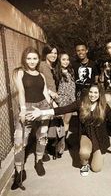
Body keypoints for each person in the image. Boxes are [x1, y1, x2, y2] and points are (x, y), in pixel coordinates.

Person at [26, 84, 111, 177]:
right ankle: (84, 164)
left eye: (96, 92)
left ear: (99, 94)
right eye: (91, 92)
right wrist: (41, 112)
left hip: (100, 138)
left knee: (96, 169)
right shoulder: (80, 103)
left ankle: (99, 153)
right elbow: (61, 110)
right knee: (84, 153)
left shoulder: (104, 107)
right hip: (86, 135)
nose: (93, 95)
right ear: (88, 93)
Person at [11, 47, 51, 190]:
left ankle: (38, 161)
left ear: (37, 59)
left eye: (34, 58)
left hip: (43, 107)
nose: (32, 61)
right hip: (26, 108)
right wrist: (22, 109)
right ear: (24, 59)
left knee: (42, 136)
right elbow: (21, 91)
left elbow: (45, 92)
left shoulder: (41, 75)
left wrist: (52, 107)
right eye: (29, 58)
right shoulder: (19, 72)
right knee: (19, 140)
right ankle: (19, 171)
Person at [40, 44, 65, 159]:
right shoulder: (42, 65)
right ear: (45, 54)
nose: (54, 55)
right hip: (45, 99)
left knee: (54, 124)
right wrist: (50, 96)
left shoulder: (54, 66)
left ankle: (54, 148)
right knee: (44, 125)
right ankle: (42, 151)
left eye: (55, 53)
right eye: (51, 52)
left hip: (55, 99)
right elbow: (40, 84)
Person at [54, 52, 76, 144]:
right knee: (60, 122)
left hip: (71, 100)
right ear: (59, 60)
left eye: (67, 59)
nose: (66, 61)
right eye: (63, 59)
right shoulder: (56, 72)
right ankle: (57, 143)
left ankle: (63, 141)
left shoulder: (71, 71)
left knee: (67, 121)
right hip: (61, 100)